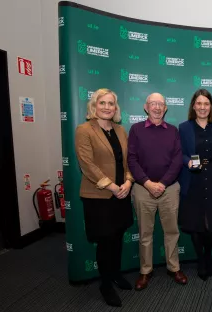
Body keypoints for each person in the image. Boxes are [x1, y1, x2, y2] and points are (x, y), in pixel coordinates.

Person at [75, 88, 134, 307]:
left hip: (122, 192)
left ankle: (116, 275)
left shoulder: (120, 130)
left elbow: (128, 160)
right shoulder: (84, 130)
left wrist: (128, 181)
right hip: (99, 196)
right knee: (105, 241)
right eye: (103, 103)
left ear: (115, 108)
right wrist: (111, 187)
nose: (107, 107)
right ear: (94, 105)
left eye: (111, 104)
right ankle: (105, 284)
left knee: (117, 237)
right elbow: (87, 165)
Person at [128, 92, 187, 291]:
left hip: (169, 189)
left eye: (161, 104)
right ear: (146, 107)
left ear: (166, 108)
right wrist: (147, 183)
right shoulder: (136, 130)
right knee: (145, 233)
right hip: (143, 189)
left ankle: (174, 267)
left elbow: (178, 160)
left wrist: (162, 183)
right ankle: (145, 271)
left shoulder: (173, 131)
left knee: (172, 231)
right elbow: (132, 160)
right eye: (153, 104)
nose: (157, 107)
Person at [178, 89, 212, 281]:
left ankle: (207, 255)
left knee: (210, 224)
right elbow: (180, 153)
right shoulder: (184, 127)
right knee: (195, 224)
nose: (202, 107)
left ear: (211, 106)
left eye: (206, 104)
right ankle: (201, 259)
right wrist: (187, 162)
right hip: (193, 179)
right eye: (199, 103)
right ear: (193, 106)